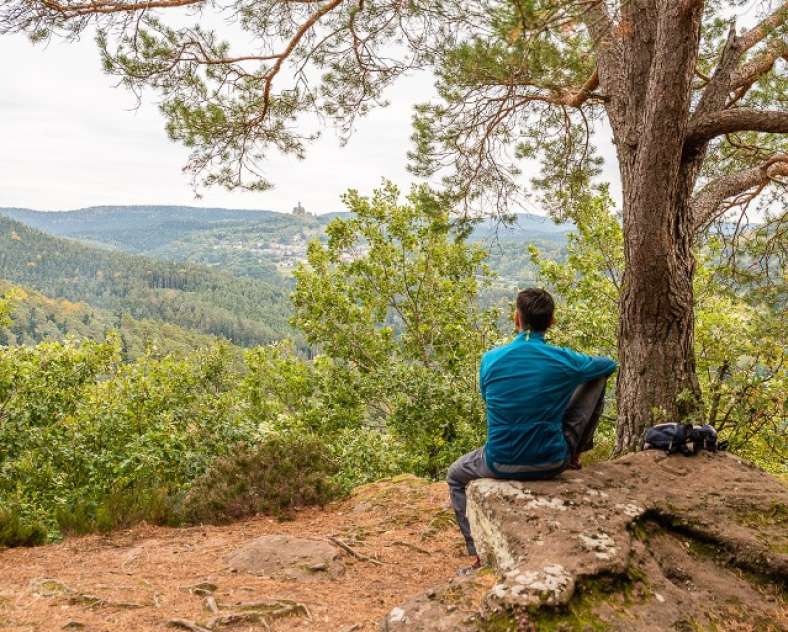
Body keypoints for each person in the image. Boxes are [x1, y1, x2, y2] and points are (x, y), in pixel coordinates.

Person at [447, 288, 617, 569]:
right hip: (551, 461)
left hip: (498, 462)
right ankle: (575, 455)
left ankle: (477, 553)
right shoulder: (564, 360)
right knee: (596, 377)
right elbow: (609, 365)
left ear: (517, 319)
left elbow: (489, 399)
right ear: (551, 322)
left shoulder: (490, 359)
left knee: (455, 476)